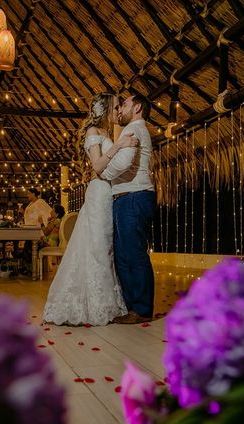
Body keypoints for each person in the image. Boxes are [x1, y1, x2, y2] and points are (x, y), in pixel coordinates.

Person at [43, 92, 138, 326]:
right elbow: (97, 166)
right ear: (105, 109)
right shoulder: (93, 133)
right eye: (116, 107)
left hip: (108, 193)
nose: (118, 111)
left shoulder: (106, 133)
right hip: (98, 192)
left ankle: (107, 301)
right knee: (97, 247)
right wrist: (119, 146)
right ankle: (93, 304)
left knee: (105, 247)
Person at [100, 94, 156, 324]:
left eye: (124, 104)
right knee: (123, 255)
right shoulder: (131, 128)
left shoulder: (133, 129)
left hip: (134, 196)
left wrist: (103, 172)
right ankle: (132, 306)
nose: (120, 108)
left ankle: (141, 309)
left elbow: (122, 163)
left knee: (133, 254)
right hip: (126, 198)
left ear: (138, 107)